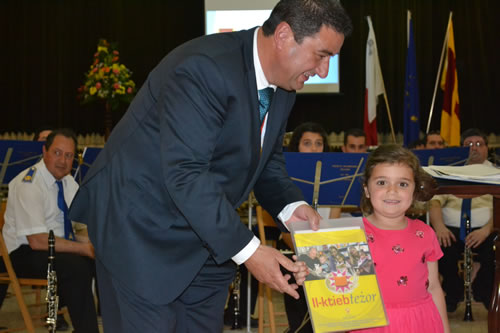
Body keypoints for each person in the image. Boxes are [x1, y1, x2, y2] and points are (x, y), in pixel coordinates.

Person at [67, 1, 353, 332]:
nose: (323, 71)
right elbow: (186, 174)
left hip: (206, 239)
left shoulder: (285, 84)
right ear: (285, 35)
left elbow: (266, 162)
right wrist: (250, 252)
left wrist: (292, 207)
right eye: (321, 55)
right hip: (140, 231)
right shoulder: (203, 68)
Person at [1, 129, 99, 333]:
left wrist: (95, 245)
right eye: (57, 153)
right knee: (77, 266)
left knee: (104, 259)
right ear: (44, 152)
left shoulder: (68, 182)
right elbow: (37, 241)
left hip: (54, 248)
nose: (63, 161)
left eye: (69, 155)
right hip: (23, 253)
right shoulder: (28, 183)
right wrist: (84, 250)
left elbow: (79, 227)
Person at [353, 144, 449, 332]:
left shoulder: (425, 233)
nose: (392, 190)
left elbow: (434, 287)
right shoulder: (352, 234)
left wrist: (445, 329)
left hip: (420, 321)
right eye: (382, 182)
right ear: (366, 189)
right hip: (371, 324)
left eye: (403, 184)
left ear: (414, 191)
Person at [429, 128, 496, 312]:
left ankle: (482, 291)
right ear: (461, 148)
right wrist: (440, 227)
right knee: (439, 249)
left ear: (487, 148)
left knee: (494, 254)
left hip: (487, 231)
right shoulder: (450, 172)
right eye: (469, 145)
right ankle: (454, 291)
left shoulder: (496, 174)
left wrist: (486, 230)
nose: (474, 148)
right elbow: (434, 203)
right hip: (450, 229)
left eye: (479, 144)